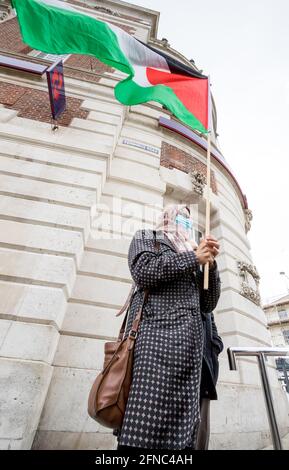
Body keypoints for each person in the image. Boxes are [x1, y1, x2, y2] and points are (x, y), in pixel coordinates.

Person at [114, 204, 221, 450]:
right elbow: (144, 271)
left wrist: (210, 267)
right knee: (144, 425)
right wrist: (193, 258)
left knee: (183, 433)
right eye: (181, 217)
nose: (186, 222)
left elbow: (208, 303)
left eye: (189, 219)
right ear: (168, 217)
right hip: (154, 347)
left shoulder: (195, 250)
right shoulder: (147, 237)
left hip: (189, 354)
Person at [195, 310, 224, 450]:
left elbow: (214, 333)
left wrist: (215, 347)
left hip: (203, 374)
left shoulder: (206, 301)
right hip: (171, 372)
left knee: (200, 432)